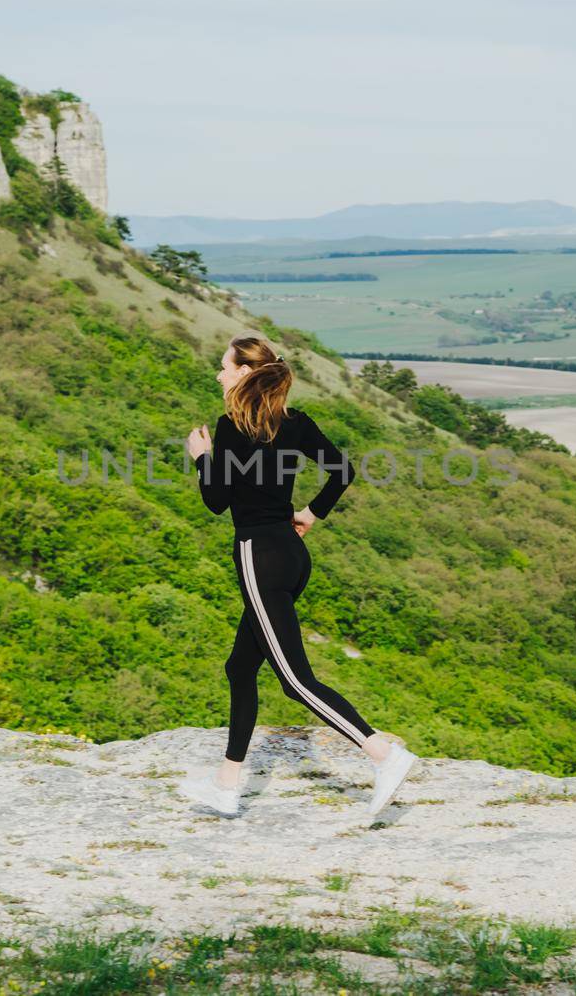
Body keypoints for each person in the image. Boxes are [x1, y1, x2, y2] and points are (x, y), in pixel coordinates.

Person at [178, 335, 417, 818]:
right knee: (240, 668)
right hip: (290, 554)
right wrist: (310, 513)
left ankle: (384, 755)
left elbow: (216, 501)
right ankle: (226, 786)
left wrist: (201, 457)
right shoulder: (295, 423)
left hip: (257, 556)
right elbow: (342, 470)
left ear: (246, 372)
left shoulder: (230, 429)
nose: (219, 374)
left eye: (224, 366)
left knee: (294, 679)